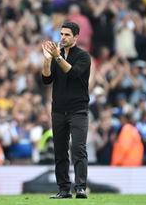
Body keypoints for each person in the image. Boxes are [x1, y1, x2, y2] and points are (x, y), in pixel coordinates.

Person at [42, 21, 91, 199]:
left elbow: (73, 73)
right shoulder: (56, 55)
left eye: (67, 35)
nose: (63, 37)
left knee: (79, 148)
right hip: (58, 110)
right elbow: (46, 80)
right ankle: (64, 189)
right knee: (60, 151)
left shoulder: (83, 56)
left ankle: (80, 188)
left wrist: (56, 57)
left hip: (78, 110)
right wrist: (48, 61)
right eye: (62, 34)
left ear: (76, 37)